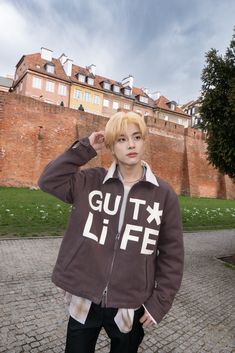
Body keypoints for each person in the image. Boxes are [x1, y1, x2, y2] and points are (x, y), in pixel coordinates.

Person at [38, 111, 184, 353]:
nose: (131, 144)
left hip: (130, 304)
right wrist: (85, 148)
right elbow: (48, 181)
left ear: (144, 141)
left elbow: (172, 255)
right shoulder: (90, 182)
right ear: (111, 146)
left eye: (136, 137)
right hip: (86, 299)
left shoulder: (163, 194)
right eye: (121, 139)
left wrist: (159, 303)